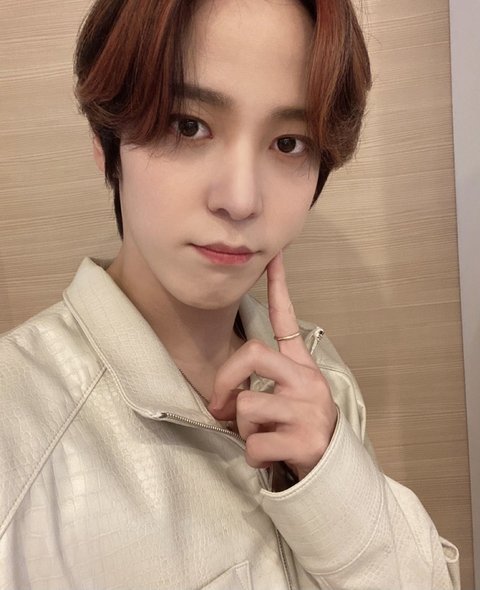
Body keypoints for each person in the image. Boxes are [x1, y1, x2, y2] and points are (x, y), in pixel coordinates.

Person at [0, 0, 461, 588]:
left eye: (289, 143)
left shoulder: (318, 377)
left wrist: (333, 480)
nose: (241, 200)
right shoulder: (18, 433)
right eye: (188, 125)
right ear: (105, 138)